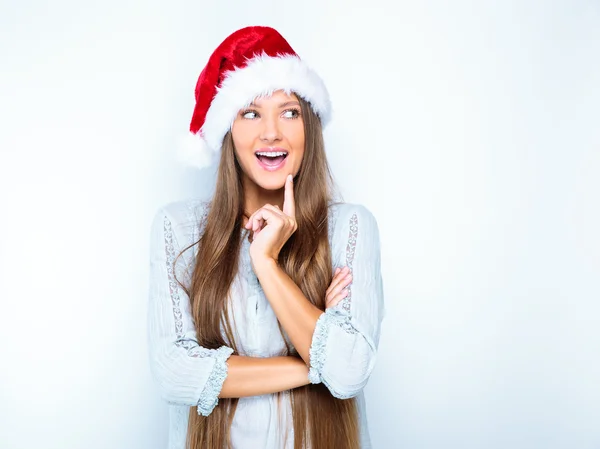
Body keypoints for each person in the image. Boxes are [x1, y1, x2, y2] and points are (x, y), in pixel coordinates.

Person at [147, 26, 385, 449]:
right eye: (251, 113)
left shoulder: (350, 227)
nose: (271, 132)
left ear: (308, 126)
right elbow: (174, 372)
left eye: (289, 112)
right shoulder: (178, 228)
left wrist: (266, 264)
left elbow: (348, 372)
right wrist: (312, 360)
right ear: (228, 131)